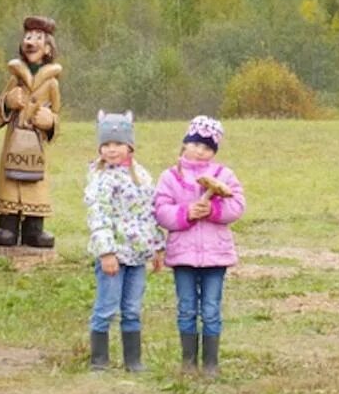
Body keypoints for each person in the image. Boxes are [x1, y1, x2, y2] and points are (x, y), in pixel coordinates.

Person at [154, 115, 245, 376]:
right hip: (183, 255)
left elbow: (237, 206)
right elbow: (161, 210)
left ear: (213, 152)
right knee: (186, 308)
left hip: (216, 256)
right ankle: (188, 361)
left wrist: (212, 210)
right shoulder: (170, 177)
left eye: (206, 147)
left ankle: (211, 364)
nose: (199, 150)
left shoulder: (224, 175)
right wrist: (187, 213)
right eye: (195, 144)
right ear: (185, 144)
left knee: (211, 309)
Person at [85, 110, 164, 371]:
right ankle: (99, 361)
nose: (111, 150)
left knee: (131, 309)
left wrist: (157, 247)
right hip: (114, 256)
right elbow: (98, 216)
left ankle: (134, 361)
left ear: (129, 145)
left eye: (117, 144)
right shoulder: (101, 178)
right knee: (106, 308)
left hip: (137, 255)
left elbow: (149, 213)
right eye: (106, 144)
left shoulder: (141, 175)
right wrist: (106, 252)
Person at [0, 16, 61, 249]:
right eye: (28, 37)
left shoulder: (51, 83)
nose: (30, 42)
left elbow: (57, 116)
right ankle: (7, 226)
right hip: (14, 142)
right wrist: (8, 103)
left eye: (37, 39)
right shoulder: (15, 78)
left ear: (48, 48)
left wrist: (50, 122)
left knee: (35, 185)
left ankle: (34, 228)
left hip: (35, 145)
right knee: (11, 183)